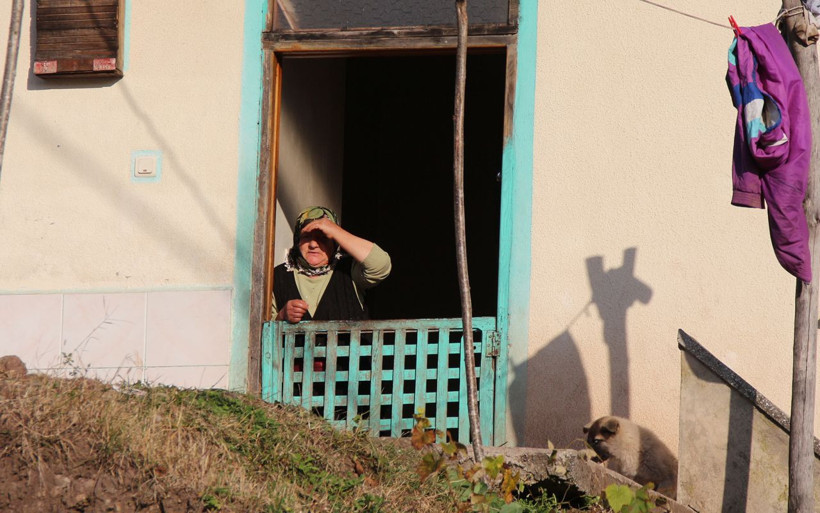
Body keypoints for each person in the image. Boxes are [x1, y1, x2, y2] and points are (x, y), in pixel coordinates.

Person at [272, 206, 391, 323]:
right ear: (297, 240)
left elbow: (380, 265)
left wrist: (334, 230)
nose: (313, 244)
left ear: (334, 242)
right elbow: (259, 329)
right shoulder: (276, 276)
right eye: (306, 237)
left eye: (322, 238)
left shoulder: (349, 270)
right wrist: (282, 316)